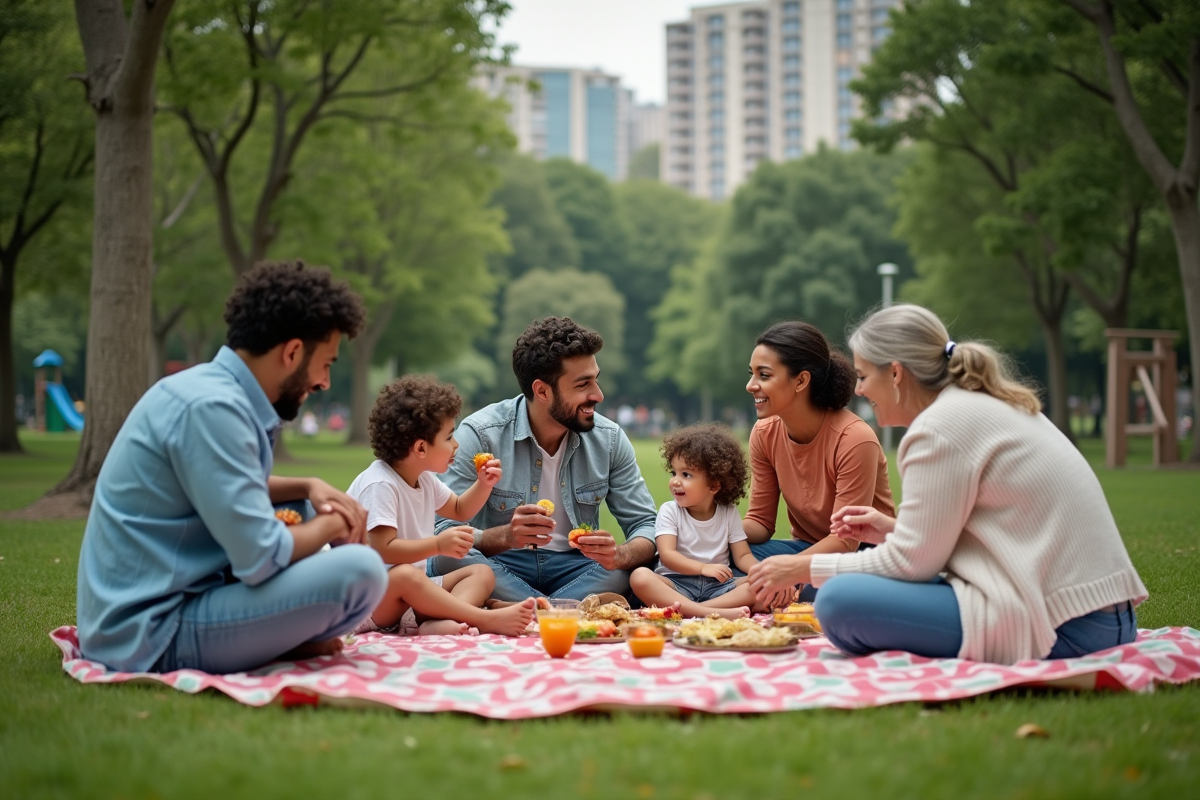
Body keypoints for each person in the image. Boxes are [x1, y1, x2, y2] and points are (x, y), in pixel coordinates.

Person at [748, 303, 1148, 665]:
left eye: (865, 376)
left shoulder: (937, 428)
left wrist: (799, 568)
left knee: (840, 601)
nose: (859, 390)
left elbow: (913, 565)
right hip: (1099, 616)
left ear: (896, 373)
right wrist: (892, 530)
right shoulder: (975, 405)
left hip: (1068, 626)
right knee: (841, 592)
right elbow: (978, 533)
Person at [76, 261, 387, 674]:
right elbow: (260, 557)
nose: (325, 382)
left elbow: (227, 486)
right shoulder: (214, 409)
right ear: (292, 352)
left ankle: (276, 640)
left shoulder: (211, 393)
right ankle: (276, 640)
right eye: (326, 364)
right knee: (363, 572)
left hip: (156, 614)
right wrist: (335, 525)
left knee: (302, 505)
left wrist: (308, 485)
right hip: (150, 633)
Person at [428, 317, 658, 601]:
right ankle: (563, 609)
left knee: (635, 569)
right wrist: (505, 536)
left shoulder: (609, 439)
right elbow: (445, 529)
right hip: (502, 564)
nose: (598, 395)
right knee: (448, 558)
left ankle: (527, 609)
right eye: (583, 384)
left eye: (595, 379)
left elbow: (646, 525)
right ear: (542, 391)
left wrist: (620, 555)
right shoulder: (481, 435)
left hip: (578, 567)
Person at [346, 376, 537, 636]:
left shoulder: (424, 478)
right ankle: (484, 618)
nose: (456, 444)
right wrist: (438, 544)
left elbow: (459, 509)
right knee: (406, 576)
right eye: (449, 437)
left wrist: (483, 484)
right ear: (421, 448)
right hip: (367, 602)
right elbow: (383, 550)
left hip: (408, 597)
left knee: (481, 573)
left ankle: (437, 623)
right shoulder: (380, 484)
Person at [742, 321, 895, 602]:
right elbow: (760, 523)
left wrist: (788, 571)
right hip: (805, 548)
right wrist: (711, 525)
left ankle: (765, 591)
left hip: (860, 558)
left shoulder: (854, 438)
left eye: (764, 375)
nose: (751, 386)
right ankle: (763, 591)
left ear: (801, 381)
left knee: (825, 592)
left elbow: (845, 541)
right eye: (752, 374)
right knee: (720, 559)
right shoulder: (764, 433)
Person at [629, 424, 757, 620]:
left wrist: (763, 573)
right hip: (676, 584)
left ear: (714, 485)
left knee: (760, 586)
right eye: (674, 473)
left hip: (718, 586)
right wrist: (703, 568)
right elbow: (667, 555)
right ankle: (710, 612)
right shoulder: (669, 511)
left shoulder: (728, 512)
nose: (675, 481)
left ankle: (692, 610)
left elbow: (743, 555)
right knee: (640, 577)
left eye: (686, 474)